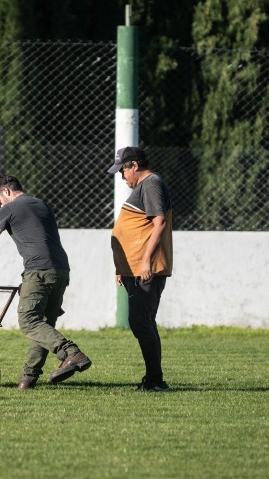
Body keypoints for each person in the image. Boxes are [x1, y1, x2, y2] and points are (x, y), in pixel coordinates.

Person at [0, 175, 91, 389]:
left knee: (29, 321)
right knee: (44, 324)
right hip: (61, 270)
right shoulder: (43, 205)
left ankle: (71, 353)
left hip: (38, 270)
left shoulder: (8, 209)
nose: (0, 206)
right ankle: (28, 379)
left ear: (6, 191)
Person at [107, 146, 173, 392]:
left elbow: (159, 222)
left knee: (141, 321)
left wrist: (146, 260)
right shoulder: (145, 187)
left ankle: (156, 380)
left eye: (123, 171)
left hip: (145, 269)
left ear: (134, 165)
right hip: (133, 269)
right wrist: (121, 266)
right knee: (142, 321)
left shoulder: (151, 184)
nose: (123, 177)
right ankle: (154, 379)